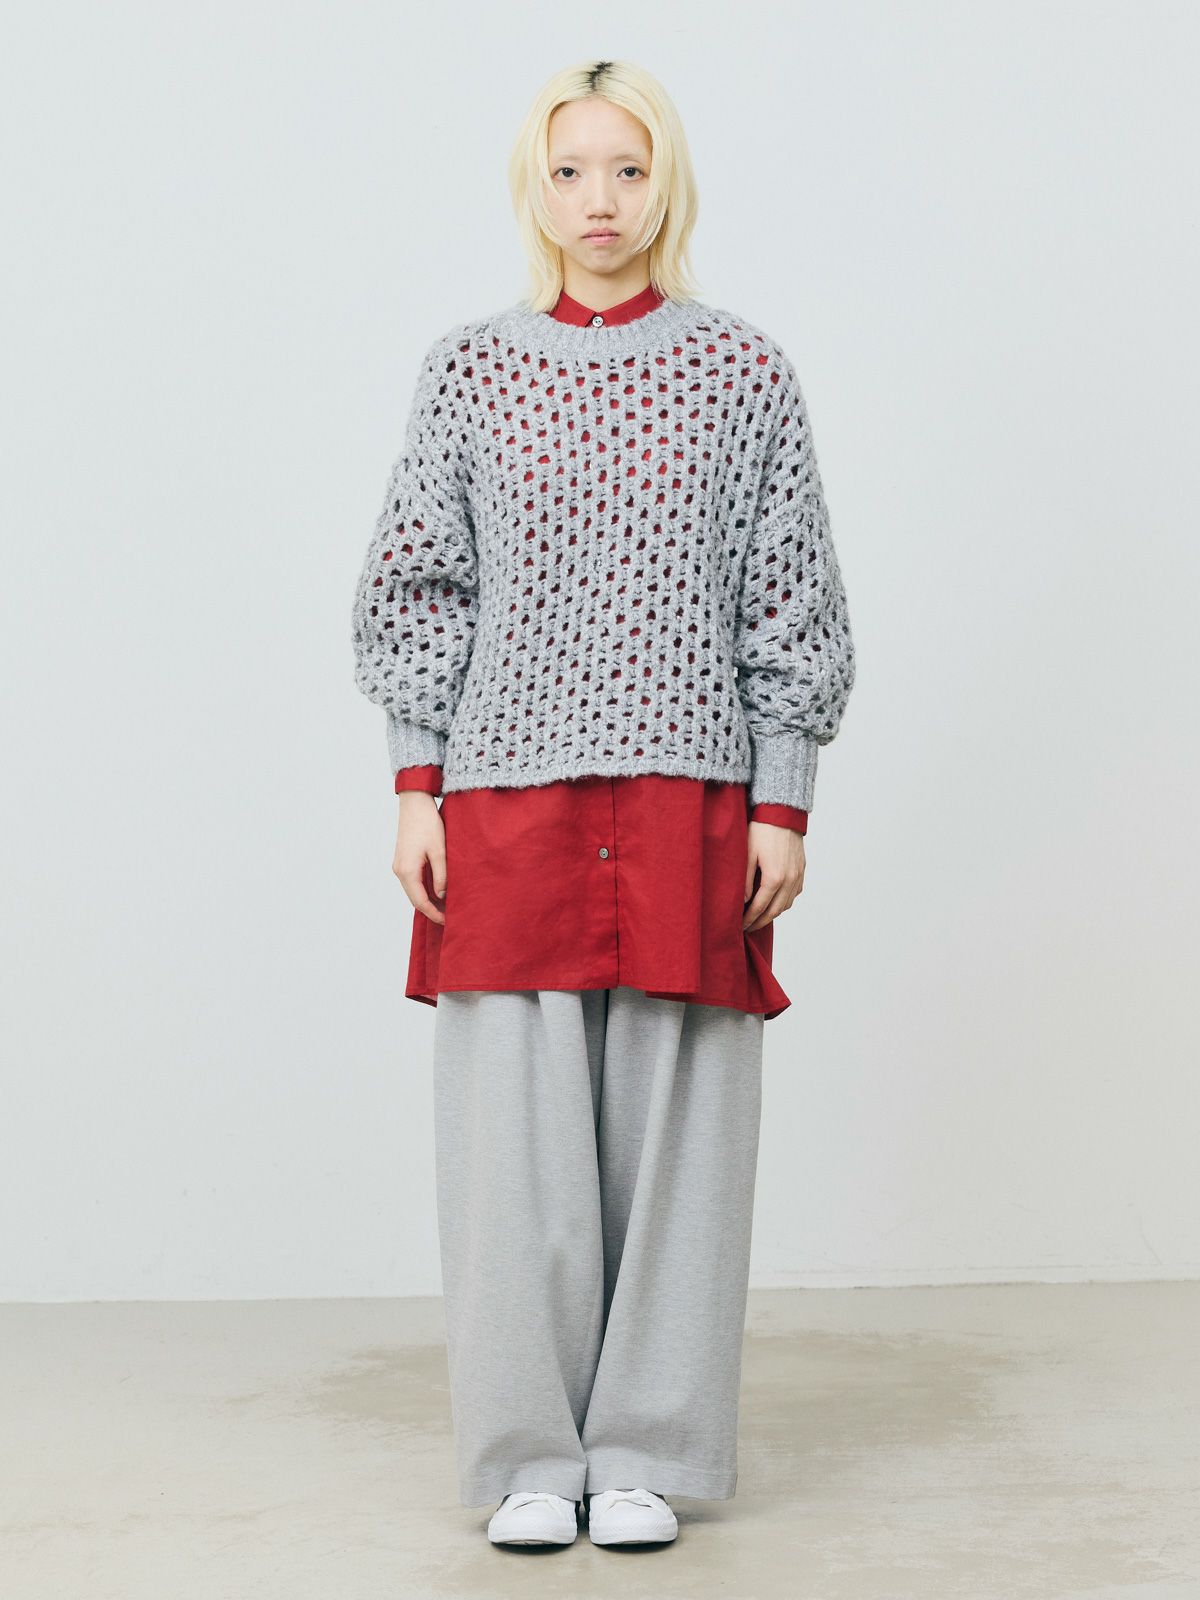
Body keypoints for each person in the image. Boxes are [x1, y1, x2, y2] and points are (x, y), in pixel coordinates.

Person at [350, 58, 856, 1552]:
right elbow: (419, 587)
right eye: (571, 171)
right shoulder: (470, 371)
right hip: (507, 798)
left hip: (692, 795)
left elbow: (791, 599)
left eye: (628, 170)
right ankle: (527, 1454)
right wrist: (416, 782)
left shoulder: (745, 373)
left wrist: (785, 799)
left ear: (666, 183)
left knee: (681, 1140)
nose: (600, 202)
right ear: (536, 186)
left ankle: (646, 1449)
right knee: (512, 1156)